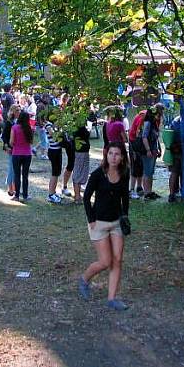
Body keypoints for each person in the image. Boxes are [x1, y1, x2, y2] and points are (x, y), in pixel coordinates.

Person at [78, 141, 131, 311]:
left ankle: (112, 298)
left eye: (117, 154)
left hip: (116, 223)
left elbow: (125, 198)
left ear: (122, 157)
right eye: (110, 153)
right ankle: (84, 279)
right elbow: (86, 197)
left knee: (117, 259)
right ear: (106, 155)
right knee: (105, 261)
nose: (113, 157)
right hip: (98, 223)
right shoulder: (98, 174)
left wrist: (125, 217)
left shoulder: (124, 174)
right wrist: (91, 219)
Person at [10, 111, 34, 202]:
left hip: (16, 153)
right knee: (25, 175)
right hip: (27, 154)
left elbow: (11, 142)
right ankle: (25, 195)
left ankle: (16, 195)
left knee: (17, 175)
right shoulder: (29, 128)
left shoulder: (14, 127)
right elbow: (31, 142)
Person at [140, 108, 162, 200]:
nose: (159, 116)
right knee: (147, 172)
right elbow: (144, 137)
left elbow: (156, 138)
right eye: (158, 114)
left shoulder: (154, 124)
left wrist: (158, 149)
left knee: (151, 172)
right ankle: (146, 193)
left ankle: (150, 191)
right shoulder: (148, 123)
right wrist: (148, 150)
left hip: (154, 151)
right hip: (147, 151)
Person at [1, 104, 21, 197]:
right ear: (12, 111)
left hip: (19, 148)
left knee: (17, 169)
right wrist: (6, 146)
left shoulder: (20, 121)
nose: (19, 112)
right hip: (11, 148)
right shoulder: (9, 122)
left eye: (20, 110)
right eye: (17, 110)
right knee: (11, 169)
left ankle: (15, 188)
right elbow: (4, 136)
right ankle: (10, 188)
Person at [71, 120, 91, 204]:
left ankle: (78, 194)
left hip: (82, 152)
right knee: (78, 173)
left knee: (80, 173)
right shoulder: (79, 129)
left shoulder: (75, 128)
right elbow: (86, 134)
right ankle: (77, 197)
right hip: (80, 153)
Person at [45, 119, 65, 204]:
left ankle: (53, 192)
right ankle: (50, 194)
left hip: (58, 150)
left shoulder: (54, 124)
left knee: (57, 173)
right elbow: (54, 135)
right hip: (53, 151)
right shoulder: (48, 125)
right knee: (54, 173)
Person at [167, 117, 183, 203]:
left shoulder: (175, 121)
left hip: (174, 149)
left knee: (174, 173)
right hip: (181, 150)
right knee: (179, 172)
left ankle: (172, 194)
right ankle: (181, 193)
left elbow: (169, 135)